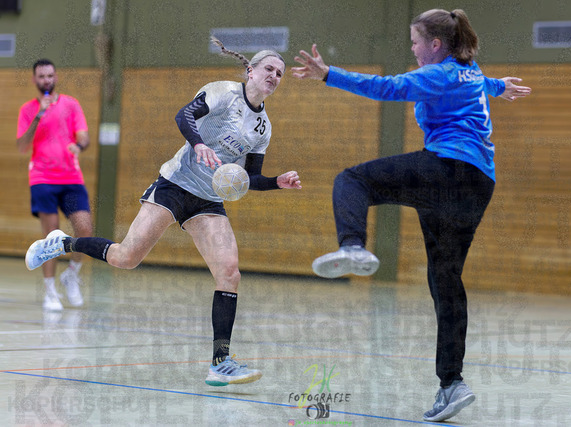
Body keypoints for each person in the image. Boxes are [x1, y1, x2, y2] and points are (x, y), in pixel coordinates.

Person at [292, 8, 531, 423]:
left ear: (435, 44)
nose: (413, 49)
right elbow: (479, 82)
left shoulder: (436, 74)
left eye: (416, 42)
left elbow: (385, 88)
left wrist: (329, 74)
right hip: (478, 183)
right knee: (446, 280)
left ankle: (353, 246)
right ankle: (451, 384)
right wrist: (499, 87)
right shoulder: (468, 70)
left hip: (446, 170)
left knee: (352, 180)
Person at [25, 39, 302, 386]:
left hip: (208, 201)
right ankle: (63, 243)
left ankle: (220, 362)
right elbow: (183, 115)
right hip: (175, 184)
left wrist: (277, 182)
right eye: (268, 69)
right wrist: (198, 144)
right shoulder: (224, 93)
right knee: (126, 257)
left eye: (280, 74)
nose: (274, 76)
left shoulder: (263, 128)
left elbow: (250, 178)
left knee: (229, 273)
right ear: (250, 70)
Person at [17, 58, 93, 311]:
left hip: (71, 178)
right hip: (42, 178)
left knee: (85, 229)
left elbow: (84, 136)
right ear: (34, 80)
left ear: (55, 77)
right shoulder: (28, 109)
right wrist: (39, 115)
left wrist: (78, 145)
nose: (46, 80)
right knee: (50, 237)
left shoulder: (71, 104)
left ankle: (72, 273)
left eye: (50, 75)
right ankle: (50, 290)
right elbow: (22, 145)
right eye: (41, 76)